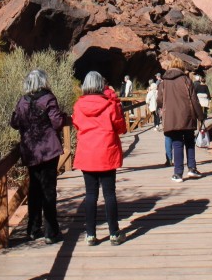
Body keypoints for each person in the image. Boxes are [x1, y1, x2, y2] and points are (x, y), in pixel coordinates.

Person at [10, 69, 66, 244]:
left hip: (31, 150)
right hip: (48, 150)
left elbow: (14, 123)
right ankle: (51, 232)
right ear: (43, 81)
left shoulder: (22, 101)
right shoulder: (48, 98)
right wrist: (63, 118)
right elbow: (57, 122)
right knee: (48, 189)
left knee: (34, 189)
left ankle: (33, 229)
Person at [72, 71, 127, 245]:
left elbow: (76, 124)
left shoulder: (79, 105)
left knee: (90, 194)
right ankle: (114, 233)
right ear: (101, 85)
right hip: (106, 152)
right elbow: (121, 127)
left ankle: (90, 234)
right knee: (109, 194)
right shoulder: (110, 104)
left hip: (88, 152)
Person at [157, 54, 204, 182]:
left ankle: (178, 174)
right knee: (189, 141)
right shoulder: (186, 80)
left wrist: (161, 108)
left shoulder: (164, 82)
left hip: (171, 117)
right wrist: (200, 115)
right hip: (187, 115)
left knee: (177, 143)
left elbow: (160, 100)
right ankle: (192, 169)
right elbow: (194, 99)